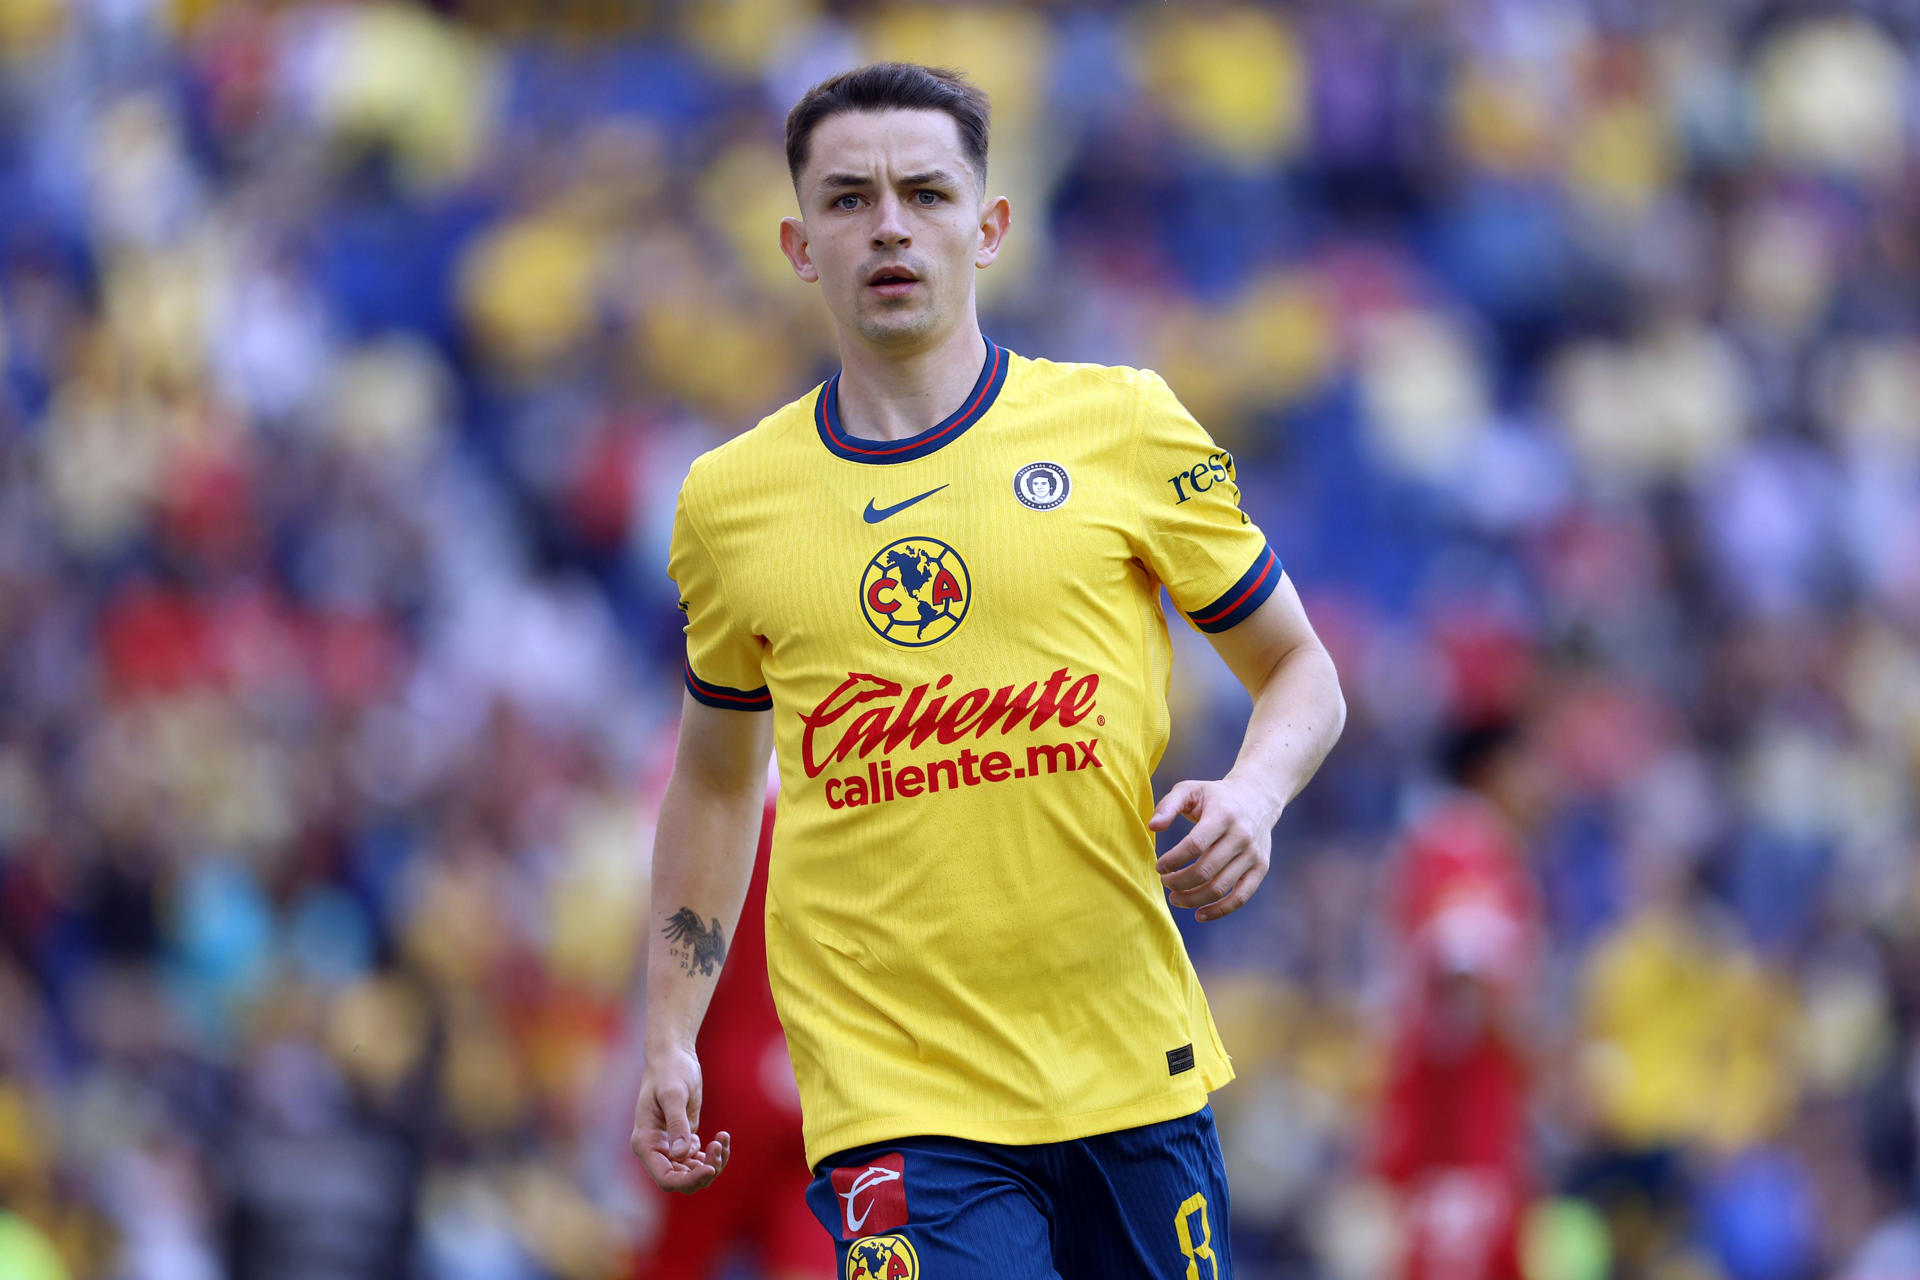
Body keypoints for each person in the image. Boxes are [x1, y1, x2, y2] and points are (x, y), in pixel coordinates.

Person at [630, 62, 1345, 1279]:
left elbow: (1302, 670)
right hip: (894, 1089)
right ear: (801, 246)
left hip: (1125, 1055)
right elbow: (711, 782)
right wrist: (670, 1028)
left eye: (926, 191)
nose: (891, 224)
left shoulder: (1123, 425)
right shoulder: (730, 502)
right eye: (850, 199)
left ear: (990, 225)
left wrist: (1253, 795)